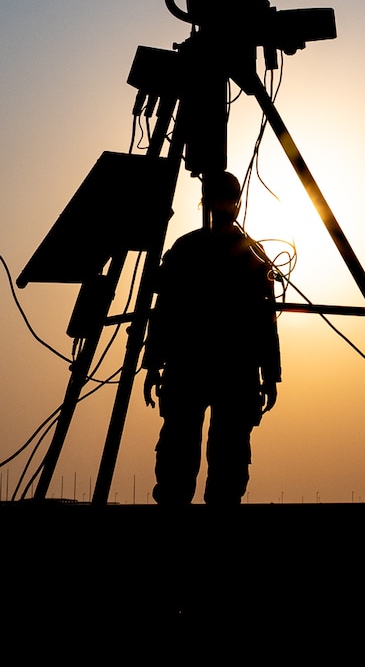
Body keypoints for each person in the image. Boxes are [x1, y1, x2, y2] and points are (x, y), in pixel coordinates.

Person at [142, 171, 281, 505]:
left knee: (219, 458)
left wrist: (271, 375)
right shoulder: (239, 252)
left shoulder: (203, 250)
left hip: (209, 368)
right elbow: (164, 311)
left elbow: (265, 319)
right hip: (214, 369)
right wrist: (152, 364)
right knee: (191, 453)